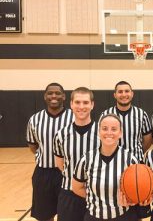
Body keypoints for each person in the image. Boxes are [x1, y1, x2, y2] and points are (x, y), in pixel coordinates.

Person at [72, 114, 146, 221]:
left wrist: (131, 199)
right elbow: (76, 187)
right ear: (99, 132)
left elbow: (136, 191)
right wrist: (98, 199)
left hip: (123, 216)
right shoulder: (86, 159)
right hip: (94, 216)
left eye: (114, 129)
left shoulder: (130, 159)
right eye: (105, 129)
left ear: (120, 133)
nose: (109, 133)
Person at [26, 83, 73, 221]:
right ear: (45, 96)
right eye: (50, 93)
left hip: (67, 174)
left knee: (68, 216)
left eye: (57, 93)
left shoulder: (74, 117)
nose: (54, 96)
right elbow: (32, 145)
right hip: (43, 174)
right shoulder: (35, 119)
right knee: (44, 216)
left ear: (64, 96)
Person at [53, 87, 99, 221]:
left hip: (95, 195)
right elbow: (61, 165)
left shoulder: (102, 133)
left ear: (92, 105)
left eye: (85, 102)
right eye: (77, 102)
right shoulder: (61, 135)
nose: (81, 106)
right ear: (71, 104)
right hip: (69, 193)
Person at [98, 81, 152, 162]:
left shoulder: (141, 114)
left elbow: (148, 140)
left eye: (127, 91)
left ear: (132, 94)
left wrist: (137, 152)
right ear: (115, 95)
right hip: (112, 161)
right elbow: (100, 138)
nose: (123, 94)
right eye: (120, 92)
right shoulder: (105, 114)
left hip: (136, 162)